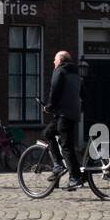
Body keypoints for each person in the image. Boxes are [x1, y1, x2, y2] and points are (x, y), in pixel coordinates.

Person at [43, 51, 83, 189]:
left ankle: (71, 175)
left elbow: (54, 90)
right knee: (66, 144)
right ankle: (68, 171)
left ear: (60, 60)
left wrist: (49, 106)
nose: (53, 62)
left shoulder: (59, 71)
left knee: (63, 144)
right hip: (73, 114)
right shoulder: (76, 74)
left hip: (63, 114)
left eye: (54, 59)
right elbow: (83, 94)